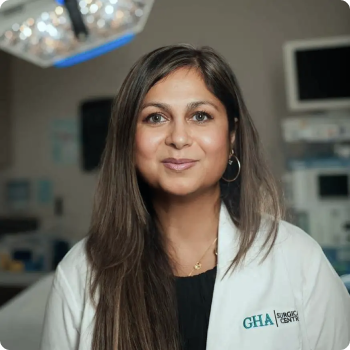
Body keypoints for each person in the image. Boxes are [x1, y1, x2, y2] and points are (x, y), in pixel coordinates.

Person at [40, 44, 350, 350]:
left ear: (232, 137)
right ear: (128, 140)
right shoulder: (80, 272)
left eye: (200, 116)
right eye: (155, 118)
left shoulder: (298, 257)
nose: (178, 138)